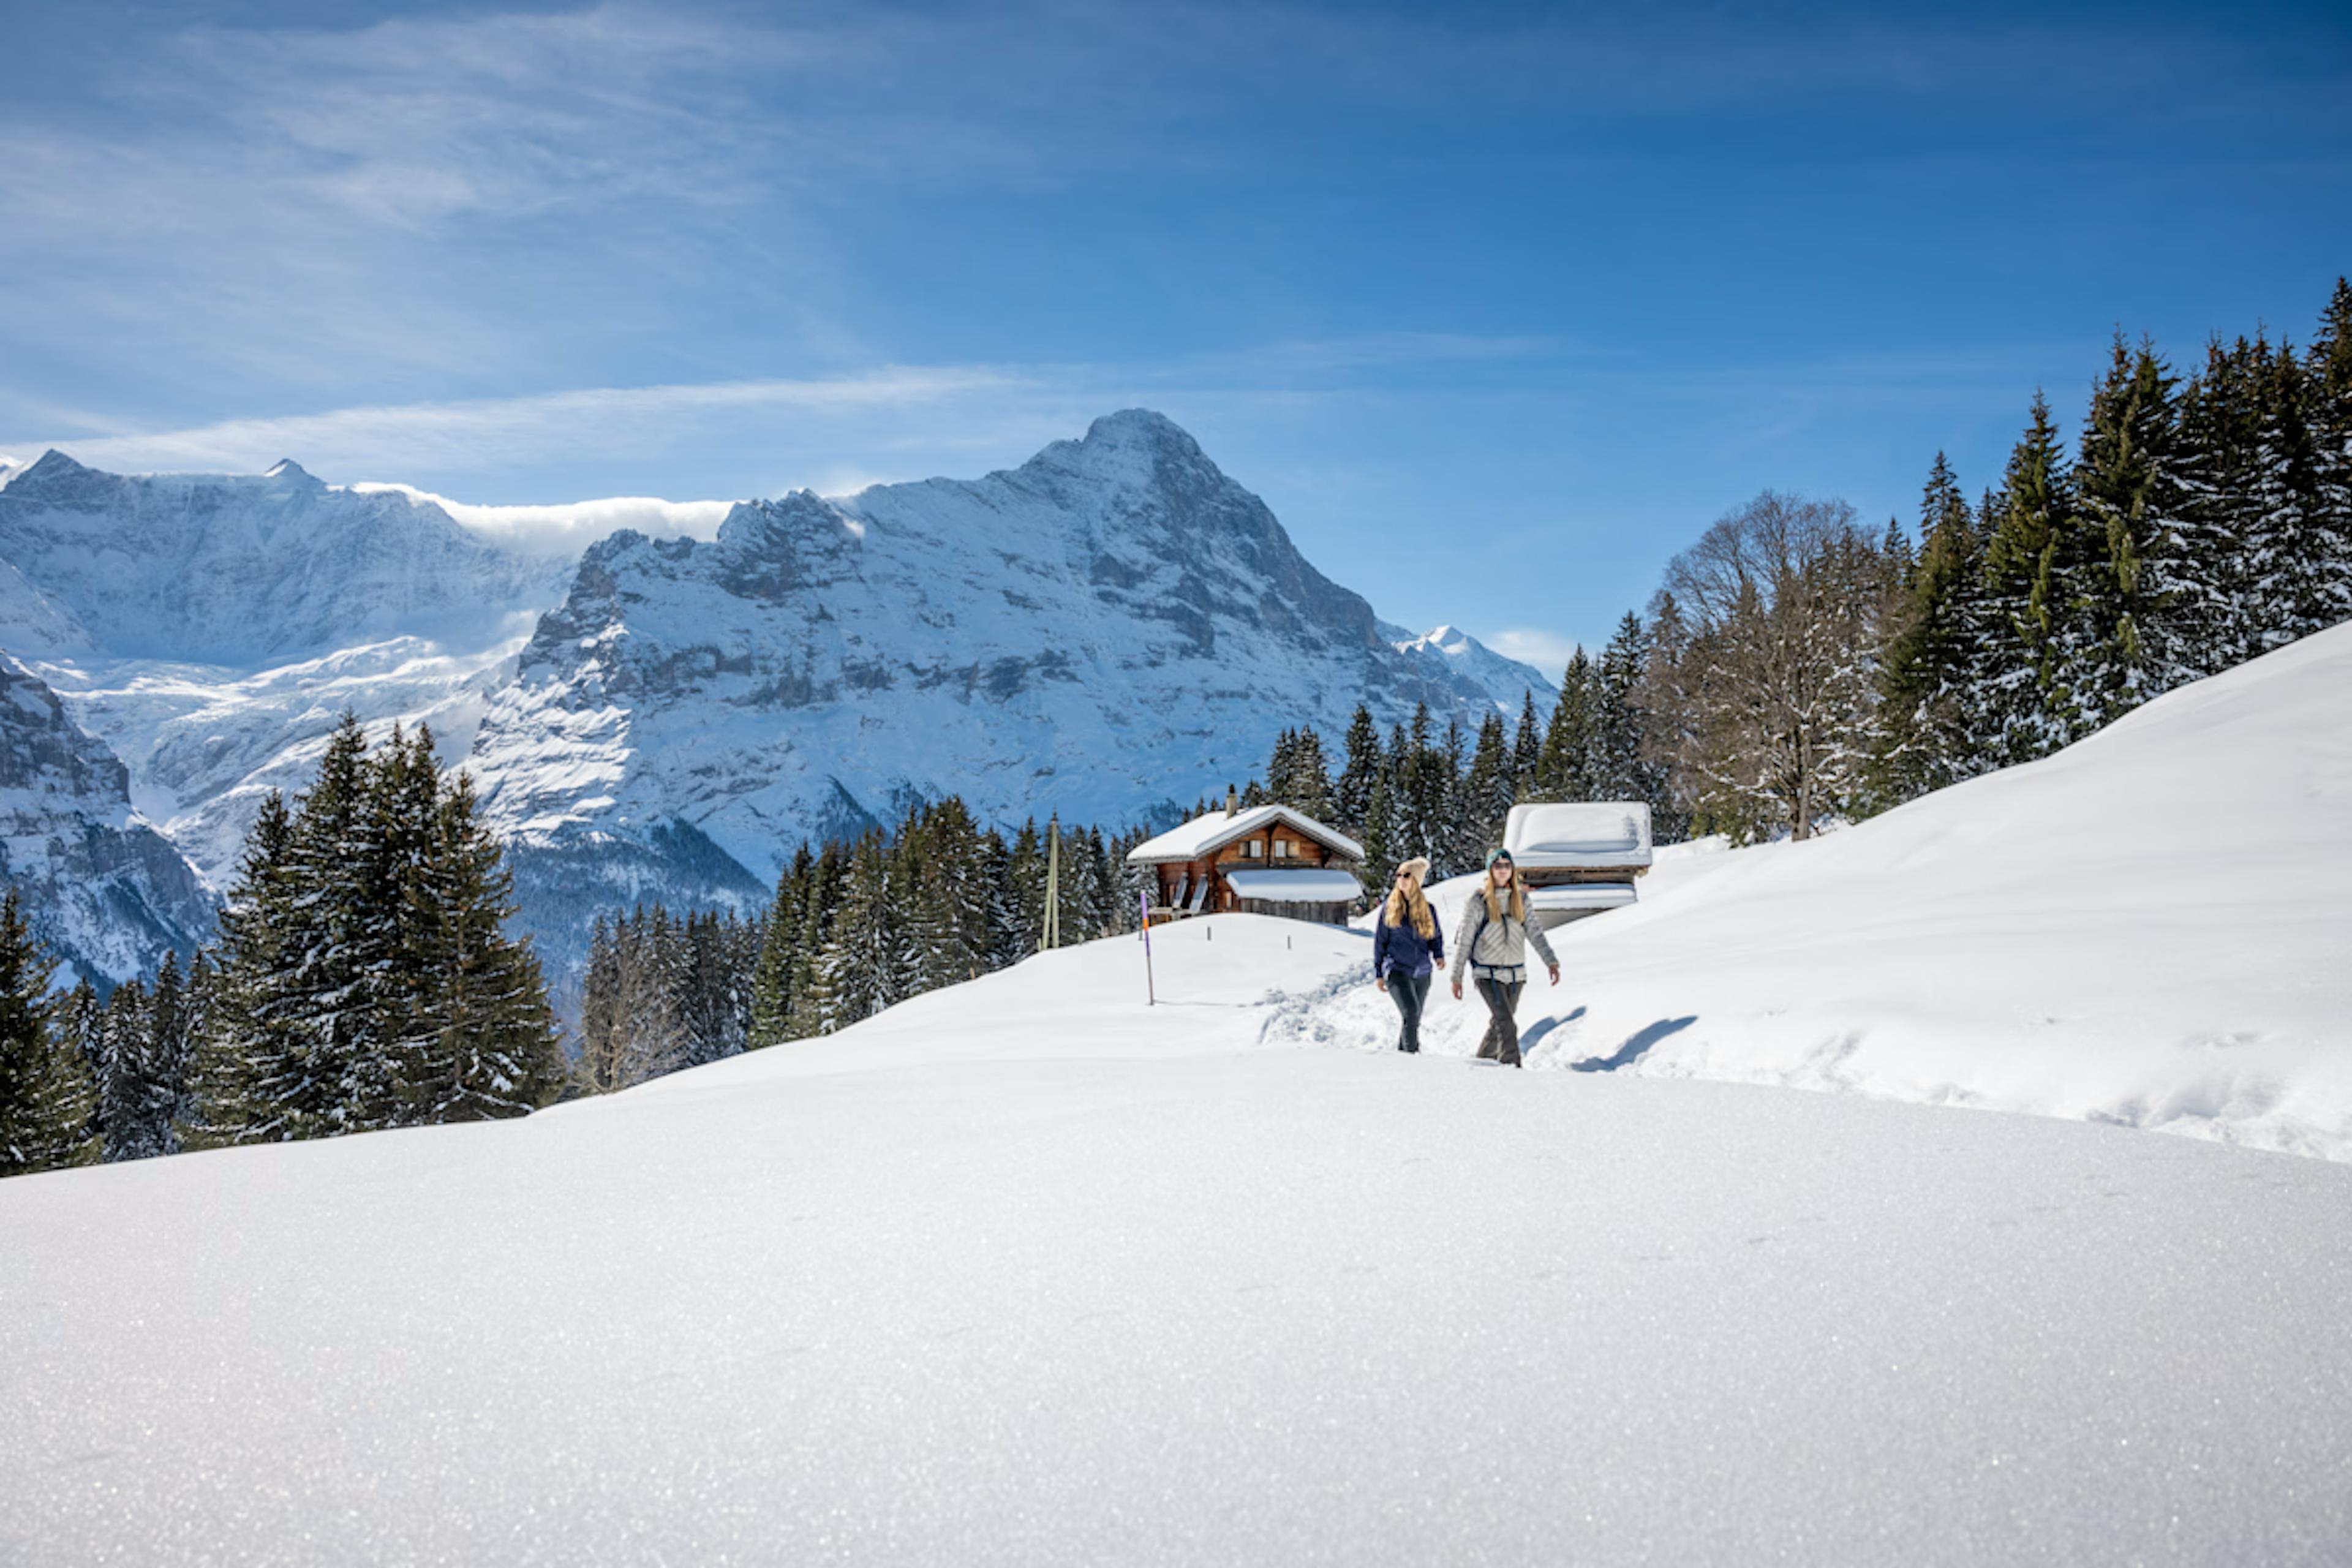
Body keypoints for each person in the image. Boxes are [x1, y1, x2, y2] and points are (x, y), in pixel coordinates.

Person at [1448, 848, 1559, 1068]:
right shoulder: (1478, 901)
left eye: (1507, 866)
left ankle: (1480, 1065)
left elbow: (1535, 933)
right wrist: (1457, 976)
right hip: (1487, 973)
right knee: (1507, 1024)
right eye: (1498, 866)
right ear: (1490, 870)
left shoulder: (1521, 900)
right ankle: (1512, 1068)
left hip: (1516, 975)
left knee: (1498, 1024)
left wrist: (1551, 962)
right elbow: (1465, 940)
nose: (1503, 870)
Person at [1371, 856, 1443, 1053]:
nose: (1401, 879)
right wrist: (1379, 973)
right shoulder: (1390, 908)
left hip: (1422, 972)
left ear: (1416, 880)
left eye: (1406, 875)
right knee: (1410, 1013)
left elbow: (1435, 937)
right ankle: (1413, 1059)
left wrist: (1438, 955)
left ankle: (1403, 1060)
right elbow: (1380, 942)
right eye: (1399, 875)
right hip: (1397, 969)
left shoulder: (1428, 910)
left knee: (1413, 1019)